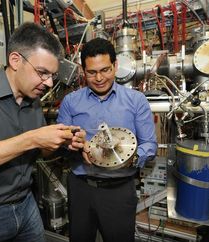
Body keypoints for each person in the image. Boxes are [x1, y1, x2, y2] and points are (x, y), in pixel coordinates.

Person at [0, 22, 86, 242]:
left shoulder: (34, 103)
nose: (48, 83)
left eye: (52, 76)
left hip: (26, 204)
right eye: (42, 73)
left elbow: (40, 152)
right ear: (15, 60)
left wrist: (62, 141)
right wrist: (32, 138)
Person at [57, 37, 158, 242]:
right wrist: (74, 146)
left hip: (119, 190)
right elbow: (60, 143)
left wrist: (128, 157)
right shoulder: (71, 102)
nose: (99, 78)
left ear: (115, 65)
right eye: (92, 72)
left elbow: (149, 144)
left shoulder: (136, 100)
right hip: (81, 188)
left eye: (105, 70)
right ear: (83, 71)